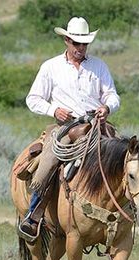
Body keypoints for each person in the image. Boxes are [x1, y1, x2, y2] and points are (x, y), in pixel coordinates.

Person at [19, 16, 120, 238]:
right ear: (66, 40)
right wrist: (53, 110)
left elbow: (112, 95)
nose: (81, 48)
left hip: (97, 125)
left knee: (127, 158)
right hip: (66, 127)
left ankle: (136, 211)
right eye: (76, 43)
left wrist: (107, 108)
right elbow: (33, 98)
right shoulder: (51, 67)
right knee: (47, 163)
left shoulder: (99, 66)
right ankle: (33, 215)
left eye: (84, 43)